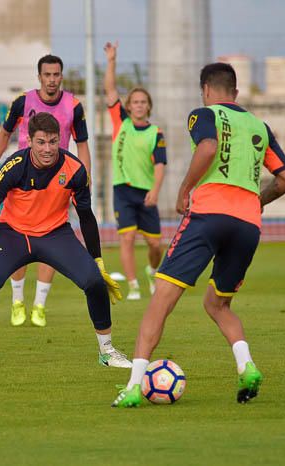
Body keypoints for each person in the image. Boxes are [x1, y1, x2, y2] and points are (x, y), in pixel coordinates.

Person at [112, 63, 285, 407]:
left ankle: (135, 385)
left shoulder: (204, 114)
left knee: (161, 300)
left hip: (209, 215)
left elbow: (208, 147)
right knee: (218, 303)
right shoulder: (261, 127)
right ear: (236, 93)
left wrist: (185, 188)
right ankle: (247, 367)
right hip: (247, 225)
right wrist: (258, 200)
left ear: (206, 90)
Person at [0, 112, 132, 370]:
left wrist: (98, 261)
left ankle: (107, 352)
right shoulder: (13, 165)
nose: (48, 149)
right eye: (41, 142)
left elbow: (86, 217)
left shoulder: (75, 170)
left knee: (94, 282)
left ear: (60, 140)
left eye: (53, 141)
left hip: (55, 235)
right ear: (29, 141)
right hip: (13, 234)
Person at [0, 54, 91, 327]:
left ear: (61, 76)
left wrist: (84, 176)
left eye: (56, 75)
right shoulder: (22, 102)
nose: (52, 80)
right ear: (39, 76)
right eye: (47, 75)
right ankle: (18, 299)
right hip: (21, 180)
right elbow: (4, 135)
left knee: (53, 236)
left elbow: (83, 144)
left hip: (59, 181)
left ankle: (39, 304)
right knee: (16, 235)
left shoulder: (74, 106)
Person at [103, 41, 166, 301]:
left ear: (149, 106)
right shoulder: (121, 122)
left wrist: (155, 190)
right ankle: (133, 286)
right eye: (135, 102)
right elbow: (109, 90)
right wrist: (112, 60)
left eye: (143, 102)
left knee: (154, 244)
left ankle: (152, 270)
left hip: (147, 193)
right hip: (123, 190)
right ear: (129, 106)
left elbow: (160, 165)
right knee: (127, 238)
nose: (139, 105)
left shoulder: (156, 133)